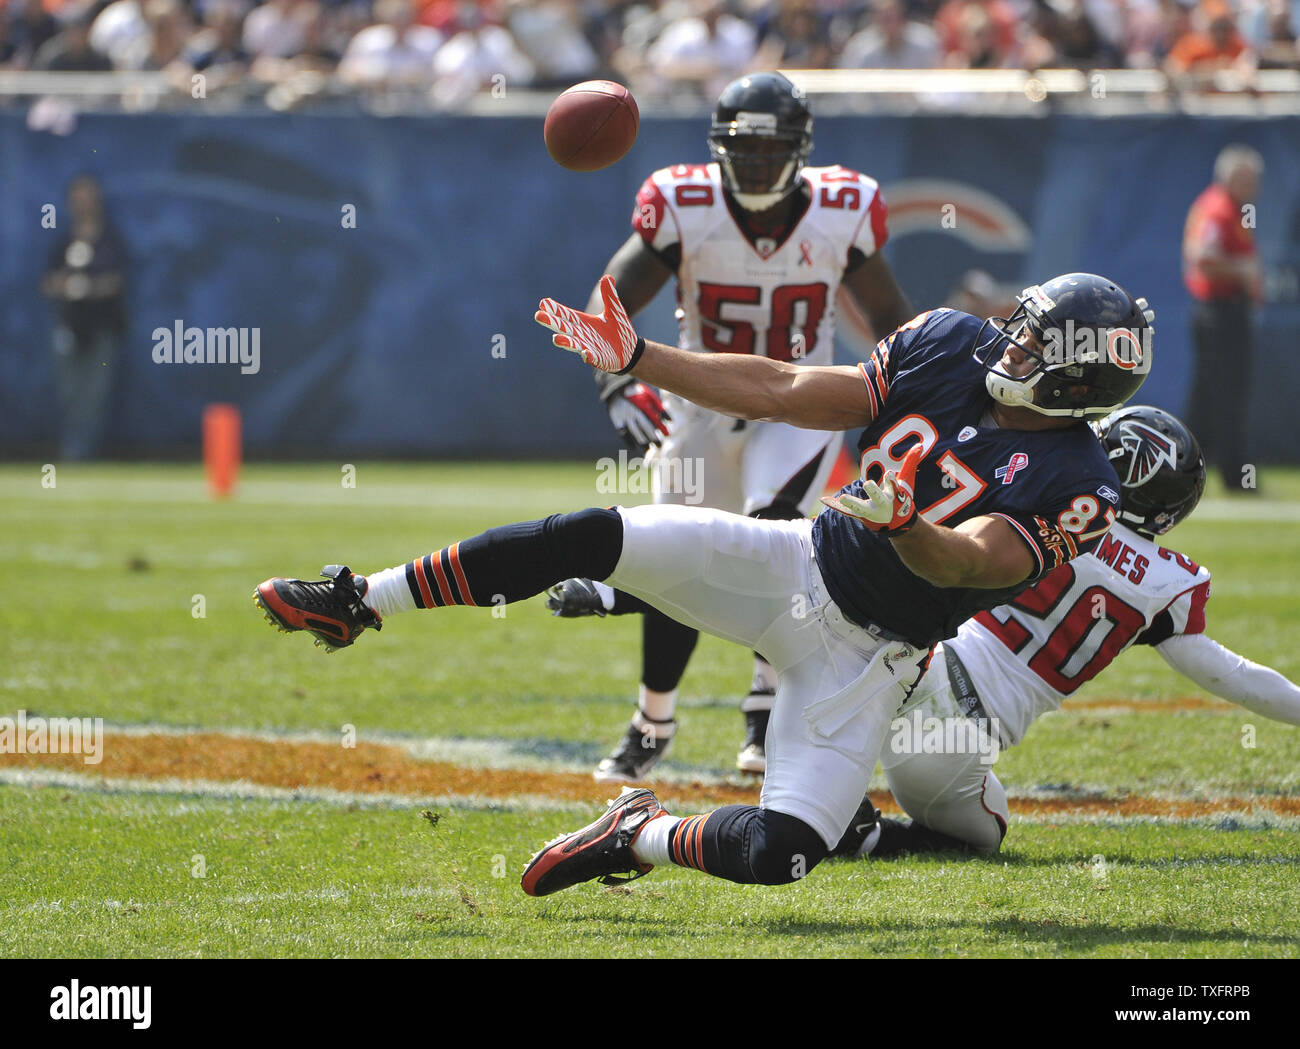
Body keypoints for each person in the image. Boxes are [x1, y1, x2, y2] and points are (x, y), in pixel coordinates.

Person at [254, 270, 1153, 897]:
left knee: (785, 853)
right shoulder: (951, 343)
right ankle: (358, 599)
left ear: (1075, 377)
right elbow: (782, 384)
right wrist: (636, 354)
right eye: (1025, 321)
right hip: (798, 562)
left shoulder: (1082, 484)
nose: (1016, 336)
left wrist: (904, 523)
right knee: (589, 536)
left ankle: (635, 833)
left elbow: (968, 561)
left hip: (870, 661)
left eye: (1038, 337)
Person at [543, 71, 914, 783]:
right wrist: (616, 380)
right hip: (701, 401)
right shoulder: (684, 203)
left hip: (801, 402)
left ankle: (764, 708)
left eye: (771, 149)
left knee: (772, 530)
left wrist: (917, 390)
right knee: (671, 556)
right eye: (742, 150)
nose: (755, 164)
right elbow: (610, 298)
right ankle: (653, 718)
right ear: (718, 151)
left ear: (801, 151)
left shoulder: (843, 208)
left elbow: (894, 320)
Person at [832, 405, 1300, 860]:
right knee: (986, 834)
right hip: (954, 741)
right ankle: (865, 838)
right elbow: (1233, 676)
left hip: (909, 670)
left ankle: (822, 793)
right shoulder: (1167, 582)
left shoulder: (1049, 502)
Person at [1182, 144, 1264, 492]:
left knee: (1208, 399)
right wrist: (1243, 270)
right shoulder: (1217, 209)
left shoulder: (1237, 209)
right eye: (1247, 179)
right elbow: (1202, 257)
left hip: (1229, 310)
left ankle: (1183, 471)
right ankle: (1236, 476)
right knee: (1227, 396)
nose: (1253, 186)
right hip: (1221, 311)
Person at [41, 174, 129, 461]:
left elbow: (118, 280)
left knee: (94, 397)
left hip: (102, 326)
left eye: (88, 197)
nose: (84, 203)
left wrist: (89, 288)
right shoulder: (63, 240)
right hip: (70, 325)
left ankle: (83, 453)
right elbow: (47, 282)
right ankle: (71, 452)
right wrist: (68, 284)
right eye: (78, 197)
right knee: (69, 395)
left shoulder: (110, 239)